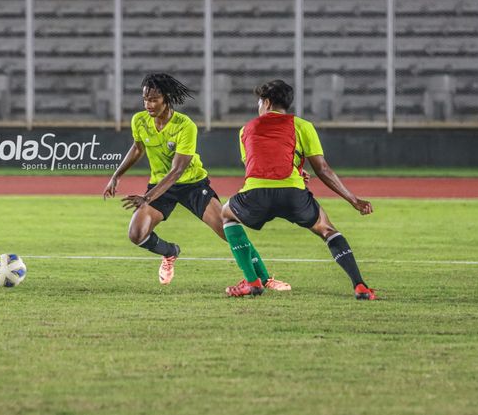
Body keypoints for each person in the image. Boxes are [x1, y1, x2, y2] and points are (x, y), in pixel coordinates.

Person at [103, 73, 291, 291]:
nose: (148, 104)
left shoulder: (185, 126)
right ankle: (170, 252)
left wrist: (146, 197)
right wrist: (116, 175)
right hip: (159, 186)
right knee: (136, 234)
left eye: (154, 99)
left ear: (167, 99)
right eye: (145, 99)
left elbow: (177, 170)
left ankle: (265, 279)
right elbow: (137, 148)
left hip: (192, 184)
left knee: (228, 231)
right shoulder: (140, 121)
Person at [221, 79, 377, 300]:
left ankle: (252, 281)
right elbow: (322, 169)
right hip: (292, 194)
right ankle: (360, 286)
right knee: (327, 230)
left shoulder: (245, 129)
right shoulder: (302, 126)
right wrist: (353, 200)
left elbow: (256, 165)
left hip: (256, 194)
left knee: (227, 215)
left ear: (266, 102)